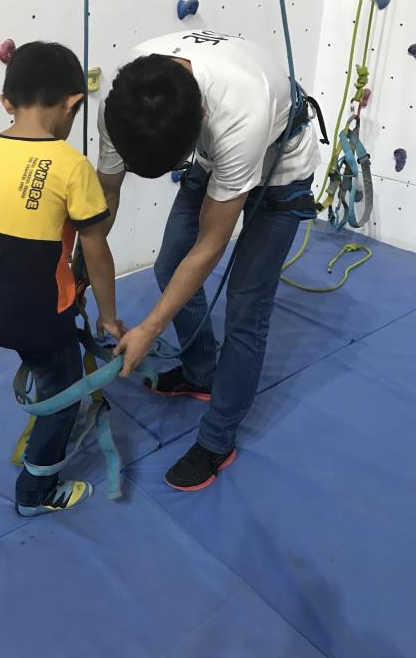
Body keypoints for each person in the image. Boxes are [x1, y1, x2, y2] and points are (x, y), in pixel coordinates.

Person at [97, 29, 321, 492]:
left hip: (281, 165)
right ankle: (201, 372)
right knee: (168, 265)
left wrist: (150, 328)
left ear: (199, 118)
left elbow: (211, 243)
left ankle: (217, 439)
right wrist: (82, 263)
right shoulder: (124, 102)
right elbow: (107, 192)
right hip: (216, 149)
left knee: (246, 309)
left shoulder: (240, 114)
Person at [0, 42, 124, 517]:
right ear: (74, 102)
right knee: (64, 390)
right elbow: (96, 250)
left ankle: (42, 394)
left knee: (43, 363)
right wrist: (109, 319)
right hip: (39, 315)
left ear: (5, 102)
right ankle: (37, 491)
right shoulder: (72, 165)